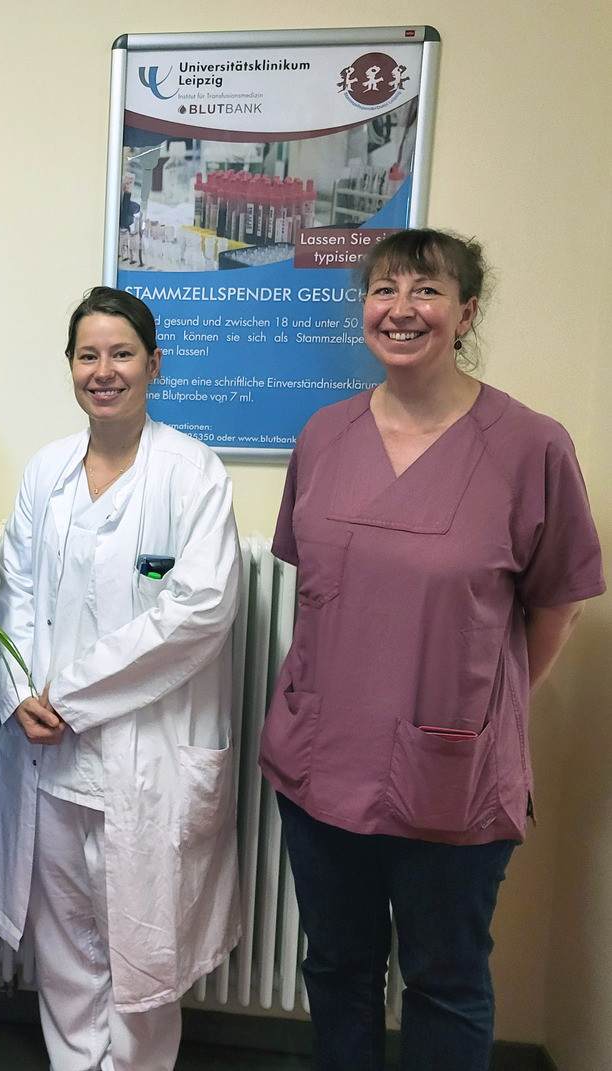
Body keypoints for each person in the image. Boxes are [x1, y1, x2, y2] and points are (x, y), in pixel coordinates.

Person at [258, 228, 603, 1071]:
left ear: (465, 312)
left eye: (427, 291)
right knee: (337, 968)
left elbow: (555, 605)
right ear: (363, 311)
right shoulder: (326, 435)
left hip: (450, 773)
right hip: (319, 760)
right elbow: (318, 587)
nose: (401, 309)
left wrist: (481, 706)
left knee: (445, 980)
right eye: (383, 290)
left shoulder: (531, 446)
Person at [0, 287, 241, 1071]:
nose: (104, 370)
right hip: (52, 755)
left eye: (121, 353)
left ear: (153, 364)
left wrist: (70, 691)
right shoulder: (46, 472)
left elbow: (199, 609)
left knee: (143, 946)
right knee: (65, 942)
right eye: (88, 355)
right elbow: (13, 589)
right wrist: (20, 687)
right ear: (70, 367)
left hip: (145, 754)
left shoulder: (193, 473)